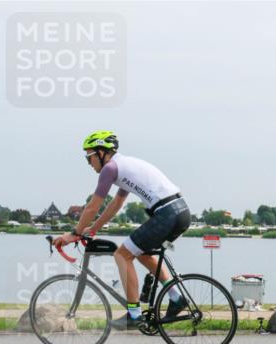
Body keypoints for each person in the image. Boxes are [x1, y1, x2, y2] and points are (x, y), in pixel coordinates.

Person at [52, 131, 191, 330]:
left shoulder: (110, 169)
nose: (89, 163)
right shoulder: (123, 166)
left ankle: (134, 314)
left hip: (166, 213)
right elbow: (116, 204)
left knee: (122, 255)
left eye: (89, 156)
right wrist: (93, 229)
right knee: (141, 253)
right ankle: (177, 297)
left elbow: (92, 207)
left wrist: (74, 234)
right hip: (181, 212)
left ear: (101, 152)